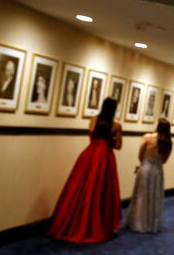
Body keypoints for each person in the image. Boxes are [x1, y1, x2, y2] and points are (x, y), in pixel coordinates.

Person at [47, 97, 123, 243]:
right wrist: (109, 141)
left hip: (89, 154)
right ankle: (98, 223)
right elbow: (118, 146)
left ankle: (74, 222)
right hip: (105, 157)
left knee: (80, 187)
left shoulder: (93, 119)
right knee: (101, 191)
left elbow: (91, 138)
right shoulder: (116, 125)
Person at [126, 119, 173, 232]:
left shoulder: (147, 138)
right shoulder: (168, 142)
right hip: (157, 171)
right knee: (154, 196)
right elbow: (164, 161)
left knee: (141, 195)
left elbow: (140, 156)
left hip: (145, 169)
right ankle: (151, 223)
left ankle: (138, 222)